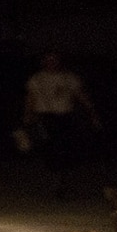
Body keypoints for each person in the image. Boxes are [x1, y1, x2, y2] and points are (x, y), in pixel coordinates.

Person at [23, 51, 100, 196]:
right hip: (45, 117)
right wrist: (27, 116)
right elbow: (30, 98)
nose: (51, 63)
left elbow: (81, 96)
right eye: (48, 60)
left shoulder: (69, 78)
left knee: (65, 150)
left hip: (64, 117)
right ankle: (53, 182)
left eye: (54, 60)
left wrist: (92, 113)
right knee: (48, 150)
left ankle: (64, 183)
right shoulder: (37, 79)